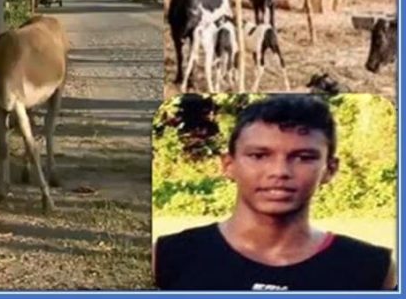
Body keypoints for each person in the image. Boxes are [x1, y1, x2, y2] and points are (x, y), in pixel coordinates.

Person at [153, 95, 397, 291]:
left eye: (303, 157)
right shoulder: (169, 256)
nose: (279, 171)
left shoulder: (371, 268)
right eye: (259, 156)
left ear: (329, 169)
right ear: (229, 165)